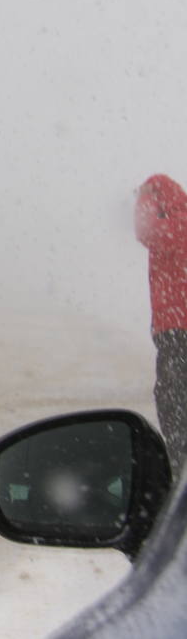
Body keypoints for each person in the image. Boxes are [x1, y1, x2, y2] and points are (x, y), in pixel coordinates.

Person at [136, 174, 187, 474]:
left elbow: (143, 230)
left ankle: (180, 469)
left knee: (173, 399)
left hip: (176, 329)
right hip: (175, 328)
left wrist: (146, 195)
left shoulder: (173, 225)